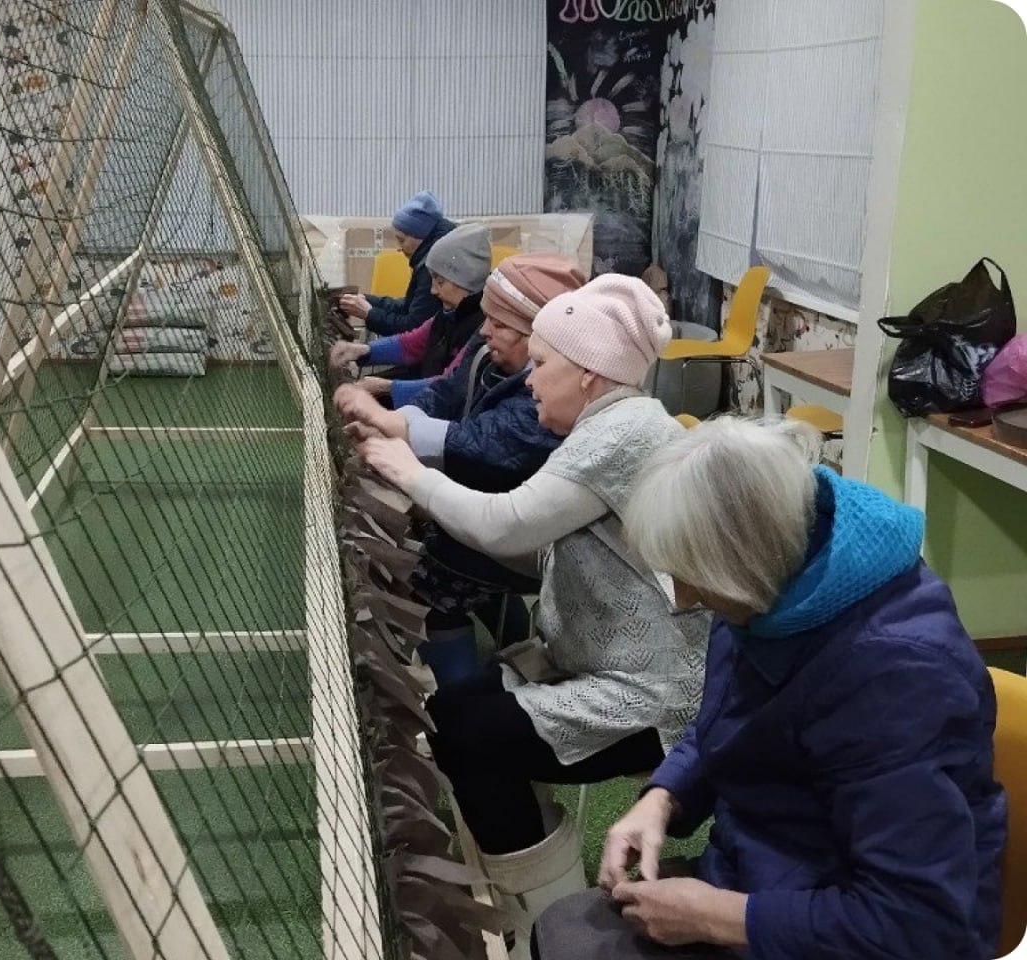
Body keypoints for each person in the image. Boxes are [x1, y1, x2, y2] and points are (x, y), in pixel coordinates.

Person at [533, 417, 1008, 960]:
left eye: (693, 575)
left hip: (864, 927)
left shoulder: (896, 678)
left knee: (573, 940)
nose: (685, 598)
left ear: (745, 560)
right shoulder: (775, 586)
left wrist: (720, 917)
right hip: (777, 871)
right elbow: (733, 719)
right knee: (568, 929)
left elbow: (919, 924)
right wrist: (666, 796)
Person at [360, 274, 709, 958]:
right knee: (457, 708)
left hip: (656, 691)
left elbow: (509, 524)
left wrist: (408, 471)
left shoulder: (623, 431)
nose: (528, 380)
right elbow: (537, 545)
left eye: (542, 364)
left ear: (587, 375)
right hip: (607, 661)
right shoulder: (610, 423)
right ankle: (547, 891)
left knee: (469, 734)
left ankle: (550, 927)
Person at [335, 254, 583, 683]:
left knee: (426, 580)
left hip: (534, 534)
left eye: (501, 324)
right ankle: (518, 648)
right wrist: (395, 423)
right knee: (451, 549)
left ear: (542, 336)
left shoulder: (553, 393)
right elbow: (445, 392)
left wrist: (393, 427)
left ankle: (457, 694)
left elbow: (489, 442)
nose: (484, 331)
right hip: (486, 509)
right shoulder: (489, 349)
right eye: (487, 318)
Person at [331, 222, 492, 406]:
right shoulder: (450, 313)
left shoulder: (484, 327)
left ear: (465, 280)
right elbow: (412, 344)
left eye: (440, 282)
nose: (433, 290)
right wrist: (362, 350)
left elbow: (451, 385)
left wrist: (388, 387)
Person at [338, 189, 454, 340]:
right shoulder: (431, 255)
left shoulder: (431, 268)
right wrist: (366, 300)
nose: (399, 248)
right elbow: (410, 307)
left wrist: (369, 314)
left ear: (421, 236)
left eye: (401, 240)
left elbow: (413, 329)